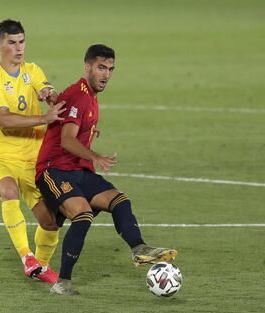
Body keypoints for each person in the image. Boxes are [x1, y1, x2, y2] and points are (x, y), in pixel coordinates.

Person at [35, 44, 177, 295]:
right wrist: (96, 156)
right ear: (87, 66)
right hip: (54, 170)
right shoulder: (79, 95)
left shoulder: (90, 97)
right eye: (101, 67)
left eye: (110, 69)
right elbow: (67, 140)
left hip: (79, 171)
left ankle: (138, 248)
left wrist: (88, 131)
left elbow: (73, 128)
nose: (106, 74)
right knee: (82, 215)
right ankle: (62, 282)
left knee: (119, 201)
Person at [0, 19, 65, 284]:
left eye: (22, 42)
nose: (19, 48)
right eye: (12, 43)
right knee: (8, 191)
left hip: (33, 160)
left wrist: (49, 94)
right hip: (1, 157)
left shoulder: (32, 70)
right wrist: (43, 119)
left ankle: (41, 266)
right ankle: (26, 256)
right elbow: (4, 120)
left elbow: (45, 88)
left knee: (50, 222)